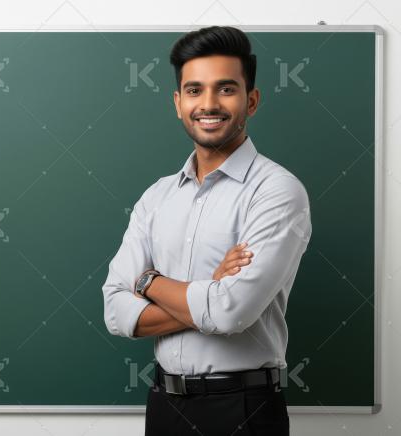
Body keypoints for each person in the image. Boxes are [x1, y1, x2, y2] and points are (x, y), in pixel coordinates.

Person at [101, 26, 312, 436]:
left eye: (226, 89)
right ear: (178, 103)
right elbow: (115, 310)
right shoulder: (157, 196)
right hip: (164, 405)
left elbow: (231, 312)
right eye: (194, 90)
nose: (209, 104)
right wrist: (206, 290)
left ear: (251, 100)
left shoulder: (278, 191)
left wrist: (148, 281)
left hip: (243, 410)